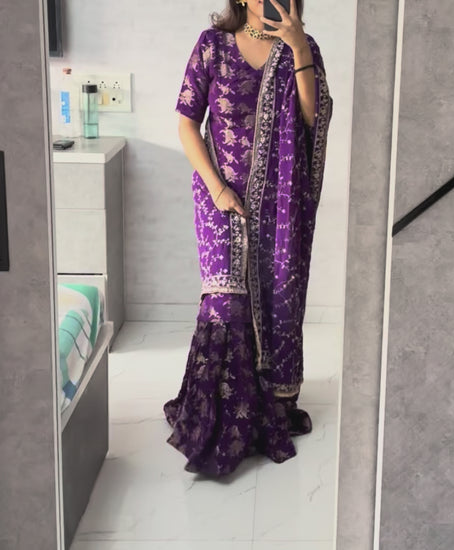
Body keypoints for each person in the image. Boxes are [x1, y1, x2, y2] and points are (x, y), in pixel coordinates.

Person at [163, 0, 332, 476]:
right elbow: (187, 123)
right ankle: (216, 417)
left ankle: (265, 408)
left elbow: (312, 120)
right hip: (219, 196)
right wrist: (217, 188)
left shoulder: (303, 48)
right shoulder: (212, 46)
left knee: (278, 299)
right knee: (225, 302)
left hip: (281, 203)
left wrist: (298, 48)